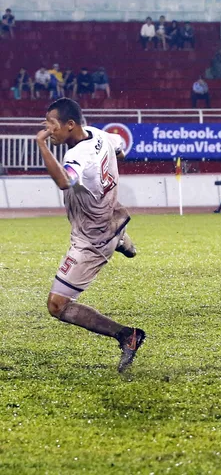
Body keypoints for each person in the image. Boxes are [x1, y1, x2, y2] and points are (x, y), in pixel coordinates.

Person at [35, 98, 145, 372]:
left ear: (70, 125)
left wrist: (41, 145)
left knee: (57, 305)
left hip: (91, 241)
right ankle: (121, 238)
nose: (48, 130)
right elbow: (120, 147)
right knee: (109, 227)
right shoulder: (100, 134)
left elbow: (63, 181)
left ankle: (126, 335)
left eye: (52, 125)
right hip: (109, 217)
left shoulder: (78, 156)